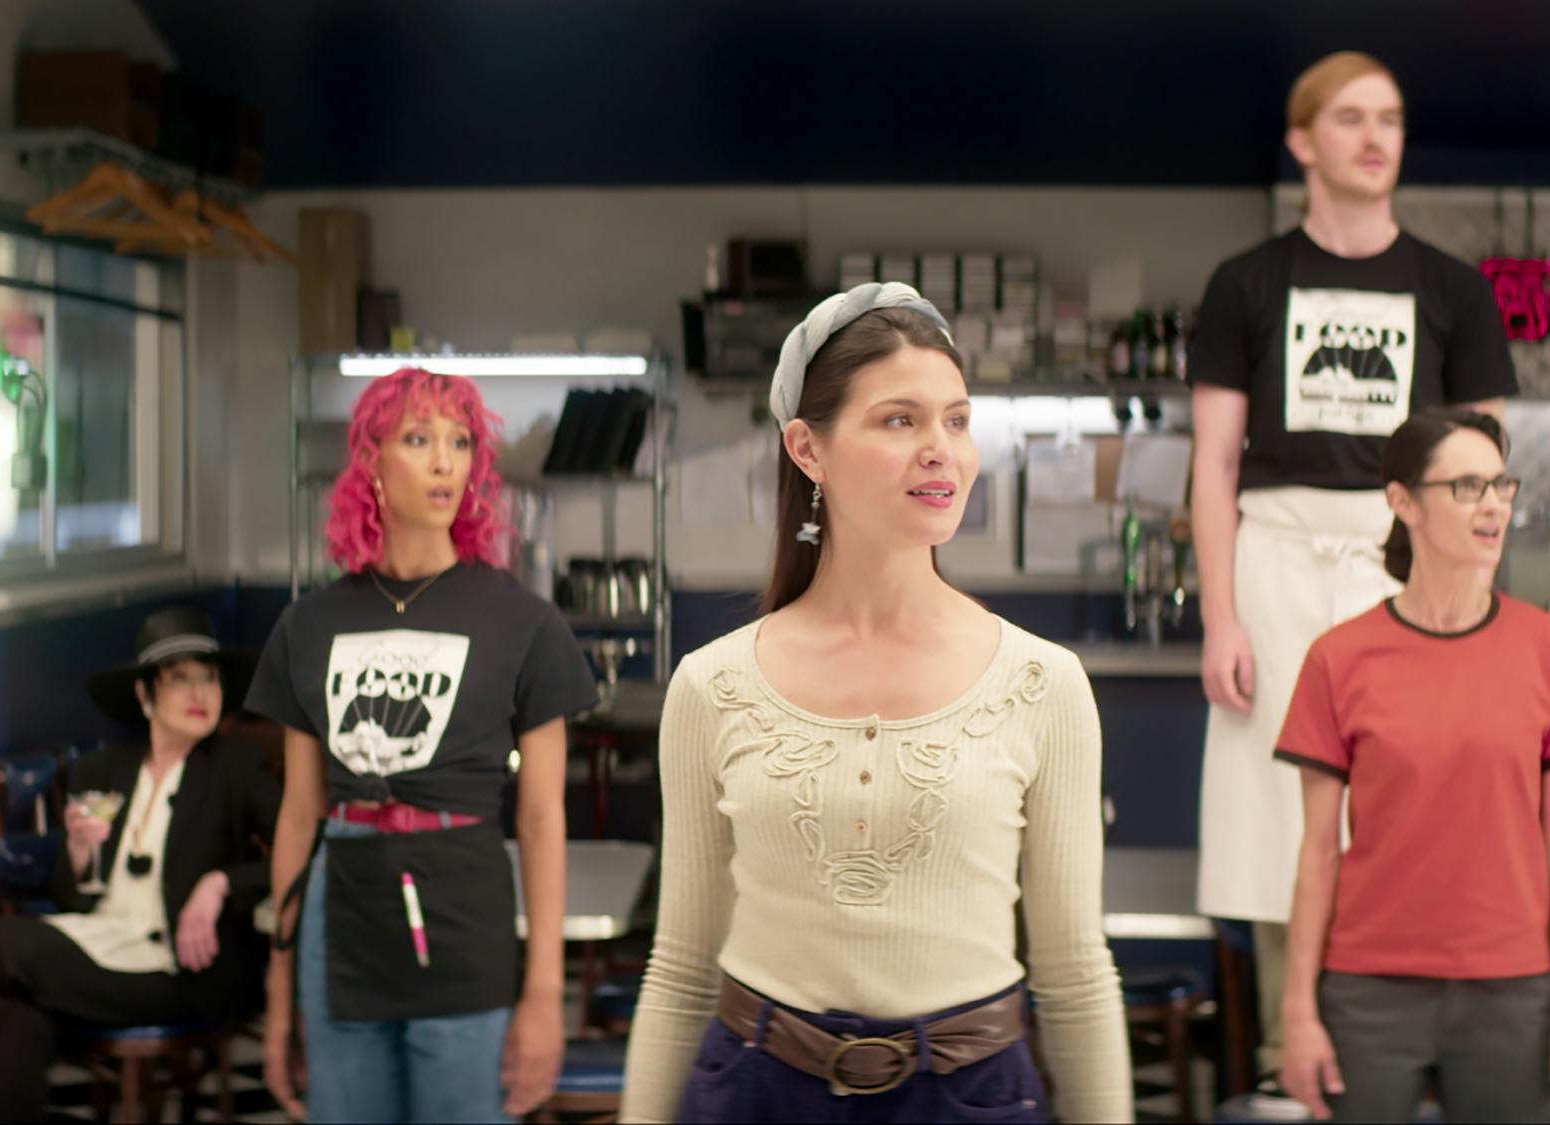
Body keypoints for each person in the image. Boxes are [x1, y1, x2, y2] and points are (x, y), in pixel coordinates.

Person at [622, 283, 1131, 1124]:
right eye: (900, 420)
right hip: (757, 1091)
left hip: (974, 1096)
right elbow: (680, 970)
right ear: (807, 449)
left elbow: (1075, 973)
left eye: (957, 420)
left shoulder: (1043, 683)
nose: (942, 449)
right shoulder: (712, 685)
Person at [1187, 50, 1518, 1104]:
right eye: (1349, 119)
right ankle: (1298, 1067)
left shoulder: (1453, 291)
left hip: (1403, 574)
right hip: (1273, 564)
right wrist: (1219, 619)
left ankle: (1426, 1066)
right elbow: (1211, 465)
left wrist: (1472, 618)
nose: (1375, 137)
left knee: (1425, 808)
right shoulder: (1243, 284)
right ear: (1301, 143)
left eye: (1390, 119)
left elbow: (1477, 479)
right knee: (1279, 821)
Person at [245, 366, 597, 1124]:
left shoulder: (523, 622)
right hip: (339, 917)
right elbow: (298, 815)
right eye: (417, 438)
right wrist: (280, 994)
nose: (445, 460)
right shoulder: (308, 625)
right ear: (370, 461)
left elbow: (540, 821)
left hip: (464, 910)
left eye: (460, 441)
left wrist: (543, 995)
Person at [1276, 409, 1549, 1123]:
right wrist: (1298, 1009)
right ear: (1403, 503)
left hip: (1513, 986)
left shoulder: (1542, 645)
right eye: (1466, 486)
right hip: (1369, 990)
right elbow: (1316, 855)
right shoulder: (1338, 658)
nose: (1493, 504)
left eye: (1500, 484)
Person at [0, 606, 281, 1122]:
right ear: (145, 695)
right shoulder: (102, 770)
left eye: (209, 679)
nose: (200, 694)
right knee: (19, 1020)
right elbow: (75, 898)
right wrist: (79, 850)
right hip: (103, 946)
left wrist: (220, 883)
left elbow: (304, 848)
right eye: (180, 680)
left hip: (181, 970)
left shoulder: (236, 767)